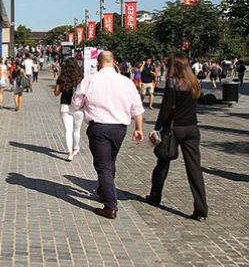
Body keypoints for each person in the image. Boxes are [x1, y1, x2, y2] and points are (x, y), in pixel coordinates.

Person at [71, 51, 144, 219]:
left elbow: (76, 102)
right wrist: (139, 128)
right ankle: (103, 191)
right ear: (115, 62)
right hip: (119, 128)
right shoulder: (126, 82)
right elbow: (137, 108)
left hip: (100, 128)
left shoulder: (90, 80)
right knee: (110, 161)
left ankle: (110, 205)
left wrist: (82, 108)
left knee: (103, 166)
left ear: (98, 63)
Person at [147, 54, 208, 220]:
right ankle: (201, 208)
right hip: (192, 128)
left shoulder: (173, 82)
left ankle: (155, 196)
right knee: (194, 168)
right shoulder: (194, 82)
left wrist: (157, 129)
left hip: (175, 129)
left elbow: (165, 110)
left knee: (163, 162)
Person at [55, 58, 84, 161]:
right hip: (78, 107)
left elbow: (56, 93)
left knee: (68, 130)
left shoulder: (62, 77)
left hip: (65, 105)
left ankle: (70, 153)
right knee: (77, 130)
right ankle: (76, 148)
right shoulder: (80, 77)